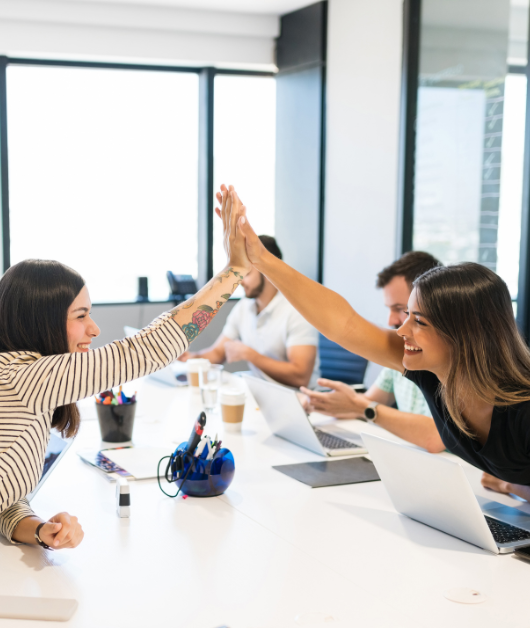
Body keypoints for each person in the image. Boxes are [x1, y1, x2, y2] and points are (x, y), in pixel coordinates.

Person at [0, 185, 249, 549]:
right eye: (81, 315)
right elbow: (147, 348)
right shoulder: (17, 377)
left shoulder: (17, 380)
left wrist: (39, 528)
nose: (94, 328)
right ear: (40, 322)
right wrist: (234, 271)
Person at [225, 186, 530, 501]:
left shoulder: (522, 411)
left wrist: (512, 486)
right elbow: (344, 324)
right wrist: (261, 260)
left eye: (419, 321)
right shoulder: (435, 371)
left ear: (464, 336)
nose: (401, 330)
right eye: (407, 314)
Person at [300, 252, 445, 454]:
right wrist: (319, 402)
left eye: (401, 309)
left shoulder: (448, 360)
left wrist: (364, 408)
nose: (391, 321)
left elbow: (437, 436)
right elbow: (367, 402)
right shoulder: (404, 351)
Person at [179, 235, 319, 388]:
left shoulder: (296, 311)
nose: (240, 282)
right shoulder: (244, 306)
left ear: (268, 271)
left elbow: (300, 377)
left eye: (246, 274)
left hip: (298, 399)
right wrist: (193, 357)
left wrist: (250, 355)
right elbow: (218, 352)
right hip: (261, 391)